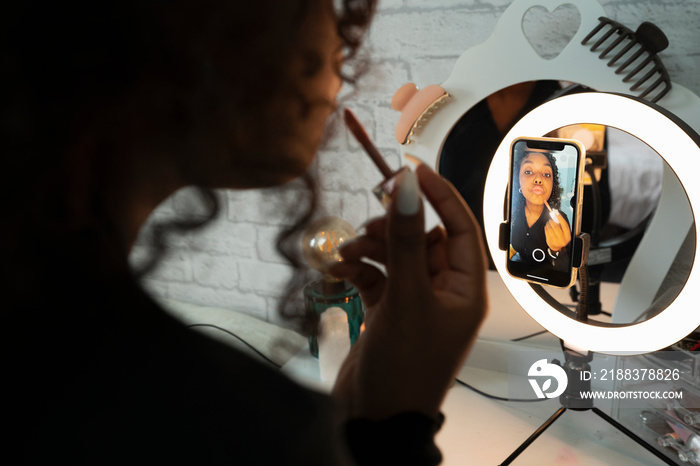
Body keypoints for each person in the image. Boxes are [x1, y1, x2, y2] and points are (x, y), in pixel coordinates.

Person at [2, 0, 488, 464]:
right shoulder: (236, 427)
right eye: (329, 25)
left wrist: (364, 411)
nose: (340, 65)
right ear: (215, 34)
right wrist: (397, 426)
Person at [509, 148, 572, 270]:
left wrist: (557, 251)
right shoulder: (513, 213)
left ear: (552, 185)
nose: (538, 179)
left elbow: (563, 270)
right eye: (528, 172)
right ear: (518, 181)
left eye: (546, 174)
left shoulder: (559, 221)